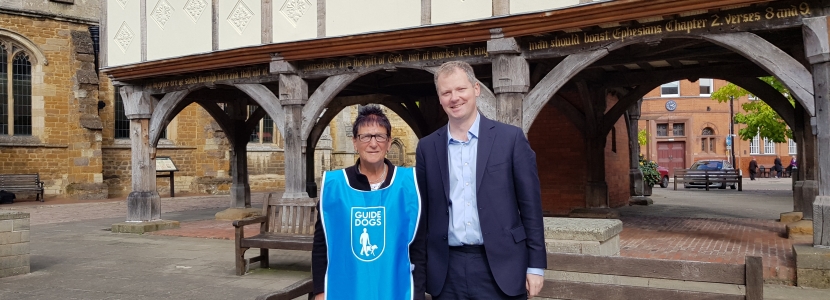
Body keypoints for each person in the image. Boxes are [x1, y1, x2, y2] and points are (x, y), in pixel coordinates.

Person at [415, 61, 546, 299]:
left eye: (460, 89)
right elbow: (423, 215)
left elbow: (531, 208)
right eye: (446, 92)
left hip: (501, 266)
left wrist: (535, 265)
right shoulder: (427, 147)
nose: (454, 98)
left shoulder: (510, 139)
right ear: (440, 98)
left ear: (475, 89)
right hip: (446, 271)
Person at [311, 105, 426, 300]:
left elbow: (418, 248)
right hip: (347, 287)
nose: (373, 143)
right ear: (355, 142)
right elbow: (323, 244)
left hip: (395, 288)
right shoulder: (335, 186)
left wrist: (417, 292)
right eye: (365, 136)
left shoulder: (408, 184)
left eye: (380, 136)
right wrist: (320, 291)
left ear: (389, 142)